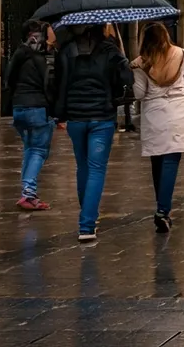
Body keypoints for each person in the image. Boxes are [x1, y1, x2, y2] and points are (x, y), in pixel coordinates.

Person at [55, 24, 133, 241]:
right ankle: (87, 225)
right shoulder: (110, 50)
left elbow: (59, 84)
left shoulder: (67, 50)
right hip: (102, 117)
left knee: (82, 167)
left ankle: (87, 216)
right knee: (97, 169)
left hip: (76, 117)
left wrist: (59, 113)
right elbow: (127, 81)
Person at [131, 23, 184, 233]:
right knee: (171, 160)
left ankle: (162, 208)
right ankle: (162, 211)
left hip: (154, 116)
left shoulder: (140, 62)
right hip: (178, 113)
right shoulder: (181, 54)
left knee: (157, 160)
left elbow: (138, 94)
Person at [5, 19, 55, 211]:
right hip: (37, 109)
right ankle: (28, 193)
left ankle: (27, 192)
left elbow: (8, 80)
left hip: (19, 109)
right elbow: (48, 86)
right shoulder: (39, 59)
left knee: (29, 149)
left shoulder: (19, 55)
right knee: (38, 151)